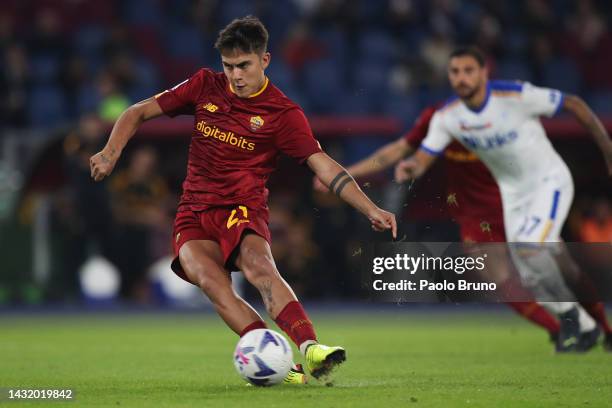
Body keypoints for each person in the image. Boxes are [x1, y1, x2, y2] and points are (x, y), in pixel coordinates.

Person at [90, 16, 396, 384]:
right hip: (193, 212)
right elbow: (136, 112)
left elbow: (325, 167)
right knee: (210, 280)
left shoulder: (283, 114)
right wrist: (111, 152)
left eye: (244, 66)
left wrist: (370, 208)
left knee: (259, 267)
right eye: (229, 66)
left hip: (242, 209)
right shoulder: (205, 85)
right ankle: (283, 370)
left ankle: (311, 348)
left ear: (264, 61)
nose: (235, 75)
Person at [395, 46, 612, 352]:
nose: (461, 78)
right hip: (513, 194)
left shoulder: (515, 96)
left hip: (548, 180)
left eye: (469, 70)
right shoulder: (449, 117)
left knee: (529, 249)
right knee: (534, 274)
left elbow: (573, 103)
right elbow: (424, 156)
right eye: (455, 72)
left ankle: (586, 322)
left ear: (484, 73)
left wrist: (607, 150)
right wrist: (410, 167)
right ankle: (589, 326)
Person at [314, 104, 563, 342]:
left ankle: (571, 322)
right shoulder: (439, 119)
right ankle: (560, 327)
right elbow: (392, 154)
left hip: (489, 212)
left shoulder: (501, 121)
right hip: (433, 221)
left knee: (532, 270)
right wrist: (347, 173)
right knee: (428, 297)